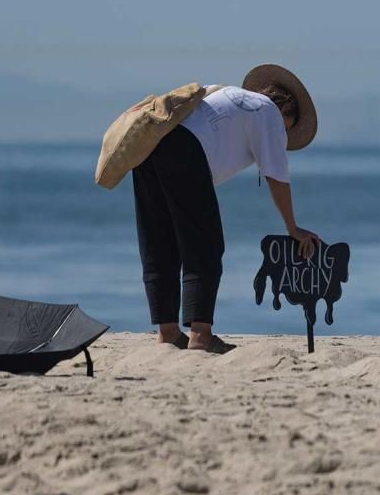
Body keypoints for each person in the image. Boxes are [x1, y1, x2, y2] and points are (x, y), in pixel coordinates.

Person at [131, 64, 320, 353]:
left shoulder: (225, 94)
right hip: (185, 151)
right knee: (204, 244)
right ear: (286, 111)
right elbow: (277, 176)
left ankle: (168, 333)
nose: (282, 138)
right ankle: (200, 334)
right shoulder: (268, 112)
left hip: (148, 144)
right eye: (286, 130)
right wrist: (292, 228)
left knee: (160, 240)